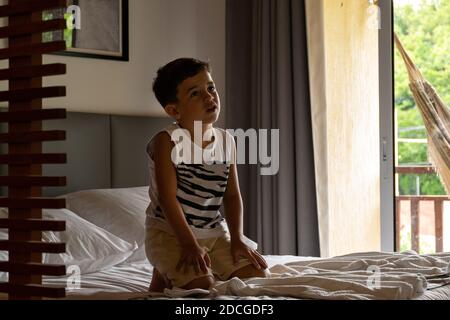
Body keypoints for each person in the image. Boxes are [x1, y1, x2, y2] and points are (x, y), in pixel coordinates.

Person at [145, 58, 269, 292]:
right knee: (201, 287)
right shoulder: (167, 141)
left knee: (257, 275)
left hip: (213, 231)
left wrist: (238, 238)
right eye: (195, 93)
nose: (209, 97)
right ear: (174, 110)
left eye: (210, 88)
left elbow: (232, 196)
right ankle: (163, 271)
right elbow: (167, 198)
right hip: (170, 233)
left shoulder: (226, 141)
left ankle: (179, 271)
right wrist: (189, 244)